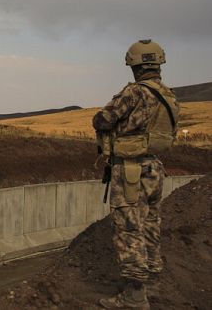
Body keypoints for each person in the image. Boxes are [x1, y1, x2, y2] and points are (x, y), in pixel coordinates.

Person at [93, 39, 180, 309]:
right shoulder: (168, 95)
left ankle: (134, 296)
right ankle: (152, 278)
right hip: (154, 168)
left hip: (131, 170)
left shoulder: (135, 93)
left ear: (134, 64)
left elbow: (103, 119)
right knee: (151, 223)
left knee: (129, 229)